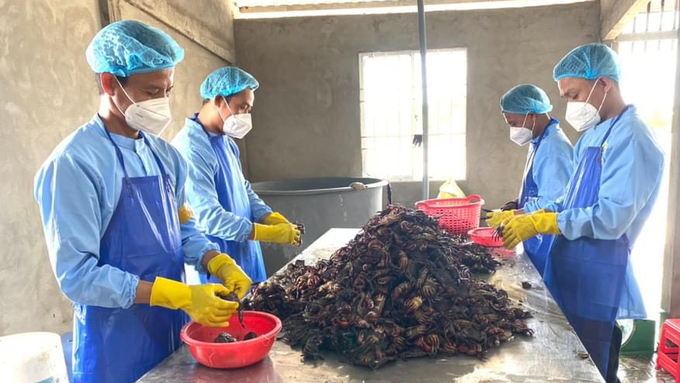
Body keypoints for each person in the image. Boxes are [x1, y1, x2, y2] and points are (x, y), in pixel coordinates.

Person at [34, 21, 252, 383]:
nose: (162, 102)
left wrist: (217, 259)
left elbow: (183, 228)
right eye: (151, 91)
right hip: (113, 343)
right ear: (109, 83)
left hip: (172, 329)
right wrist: (173, 293)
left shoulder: (166, 157)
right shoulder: (74, 164)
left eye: (167, 89)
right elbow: (77, 275)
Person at [501, 43, 664, 383]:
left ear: (604, 84)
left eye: (574, 95)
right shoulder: (595, 134)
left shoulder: (632, 137)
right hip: (572, 269)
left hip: (598, 276)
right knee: (570, 366)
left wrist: (546, 221)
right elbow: (567, 196)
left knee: (594, 370)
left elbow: (611, 218)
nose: (570, 105)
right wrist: (530, 215)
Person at [172, 67, 301, 284]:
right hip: (218, 266)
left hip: (246, 256)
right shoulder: (191, 148)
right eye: (241, 107)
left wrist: (266, 216)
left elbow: (243, 189)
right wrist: (265, 233)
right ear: (219, 100)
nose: (245, 116)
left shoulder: (227, 143)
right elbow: (209, 218)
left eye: (248, 109)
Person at [486, 84, 573, 275]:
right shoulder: (539, 141)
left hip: (548, 244)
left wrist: (515, 215)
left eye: (514, 124)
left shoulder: (553, 148)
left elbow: (553, 203)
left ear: (532, 115)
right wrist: (517, 203)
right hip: (536, 242)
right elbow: (540, 187)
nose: (513, 131)